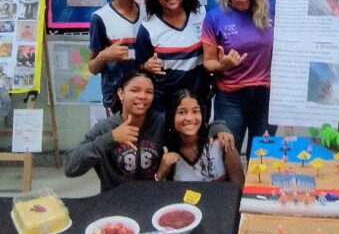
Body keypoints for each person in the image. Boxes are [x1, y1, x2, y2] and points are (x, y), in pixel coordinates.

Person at [63, 71, 235, 192]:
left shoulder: (159, 122)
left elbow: (189, 126)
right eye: (134, 90)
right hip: (114, 202)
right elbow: (70, 167)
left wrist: (218, 127)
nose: (142, 97)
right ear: (121, 94)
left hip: (155, 197)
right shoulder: (105, 128)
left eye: (149, 92)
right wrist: (111, 138)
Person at [202, 0, 275, 153]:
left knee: (263, 156)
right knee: (226, 155)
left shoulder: (271, 12)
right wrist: (223, 65)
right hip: (231, 97)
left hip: (266, 96)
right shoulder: (214, 17)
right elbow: (208, 62)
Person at [135, 0, 208, 113]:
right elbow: (139, 67)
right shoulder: (148, 28)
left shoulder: (200, 14)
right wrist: (145, 66)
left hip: (198, 103)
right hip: (164, 107)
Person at [155, 89, 244, 186]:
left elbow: (239, 190)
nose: (189, 118)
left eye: (195, 111)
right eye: (182, 112)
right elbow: (159, 194)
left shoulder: (222, 143)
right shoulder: (166, 151)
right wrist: (160, 173)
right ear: (171, 116)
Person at [89, 0, 143, 110]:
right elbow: (92, 68)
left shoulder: (149, 14)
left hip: (146, 98)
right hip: (116, 102)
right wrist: (104, 56)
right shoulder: (100, 18)